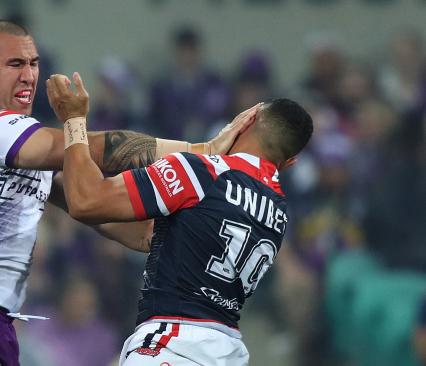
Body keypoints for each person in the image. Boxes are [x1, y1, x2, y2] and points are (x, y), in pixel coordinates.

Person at [0, 19, 257, 366]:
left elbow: (96, 206)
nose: (29, 74)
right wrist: (203, 151)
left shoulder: (25, 145)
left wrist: (176, 237)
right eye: (14, 63)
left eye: (34, 64)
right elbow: (101, 148)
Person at [47, 73, 313, 365]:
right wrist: (51, 187)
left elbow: (88, 200)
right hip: (225, 351)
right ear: (289, 162)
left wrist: (74, 120)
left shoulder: (204, 172)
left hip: (173, 345)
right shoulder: (279, 212)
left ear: (247, 120)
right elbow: (148, 234)